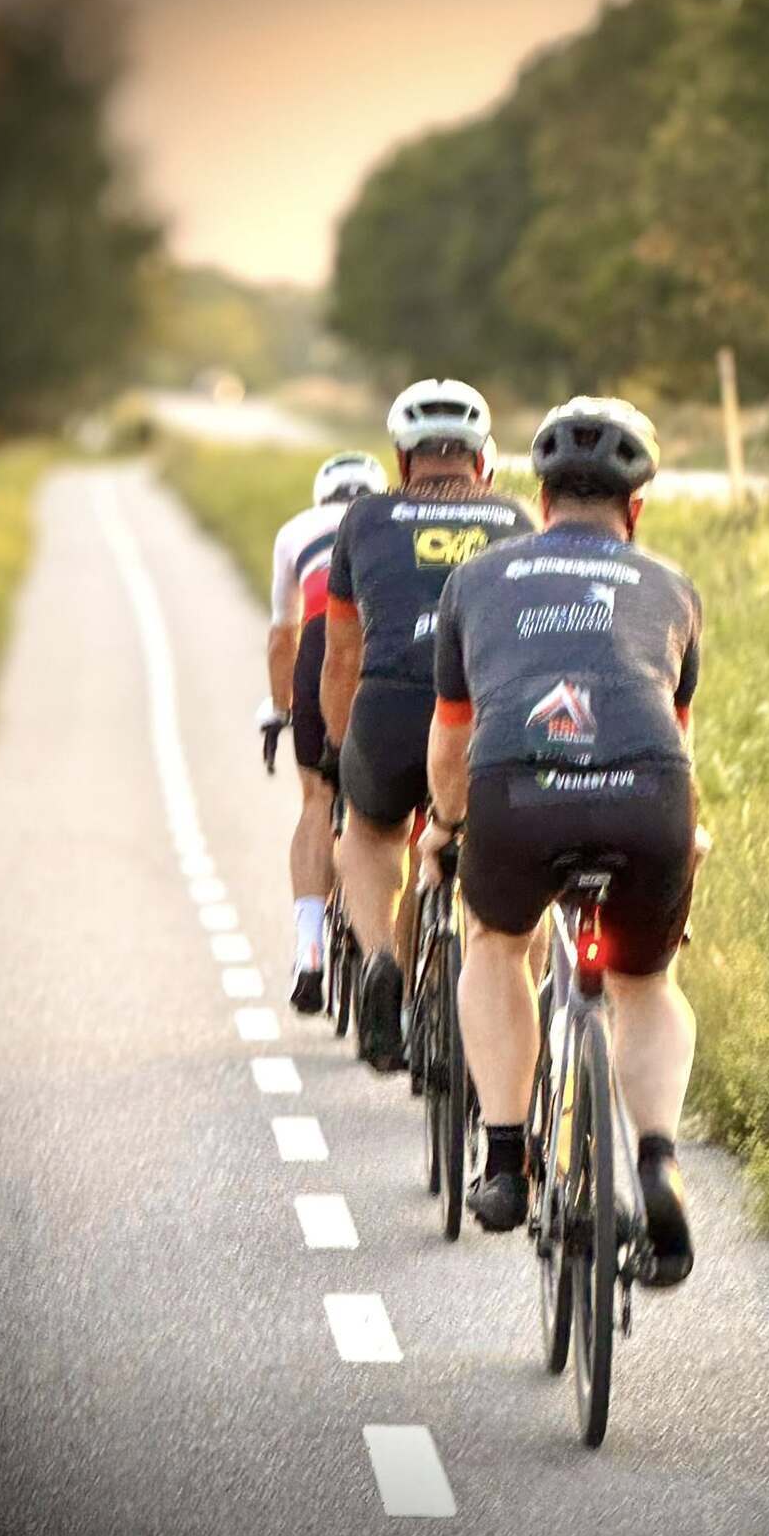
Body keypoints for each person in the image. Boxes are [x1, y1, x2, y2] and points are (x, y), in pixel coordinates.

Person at [419, 396, 702, 1286]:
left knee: (497, 942)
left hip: (519, 794)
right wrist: (685, 840)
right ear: (635, 508)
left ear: (540, 500)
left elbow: (451, 742)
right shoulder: (673, 588)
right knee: (645, 982)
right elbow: (677, 740)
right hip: (649, 796)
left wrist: (445, 831)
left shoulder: (475, 583)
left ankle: (506, 1159)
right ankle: (657, 1160)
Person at [319, 379, 533, 1071]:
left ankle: (382, 956)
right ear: (483, 458)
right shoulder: (517, 518)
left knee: (370, 832)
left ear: (402, 458)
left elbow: (342, 654)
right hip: (486, 713)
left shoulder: (364, 518)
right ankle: (480, 1004)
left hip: (391, 705)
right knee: (487, 844)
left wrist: (339, 750)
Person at [257, 450, 388, 1012]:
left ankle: (309, 947)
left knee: (317, 799)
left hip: (319, 644)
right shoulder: (391, 521)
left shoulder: (296, 530)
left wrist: (278, 708)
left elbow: (281, 638)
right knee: (393, 810)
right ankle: (394, 956)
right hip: (385, 644)